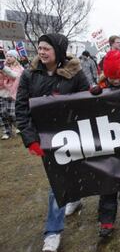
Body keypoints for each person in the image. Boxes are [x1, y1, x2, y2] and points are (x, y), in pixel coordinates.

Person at [15, 33, 90, 252]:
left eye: (46, 48)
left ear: (58, 50)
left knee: (74, 172)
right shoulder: (30, 75)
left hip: (72, 135)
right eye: (39, 48)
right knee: (57, 182)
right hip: (47, 140)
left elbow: (87, 101)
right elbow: (22, 108)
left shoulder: (75, 73)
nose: (41, 51)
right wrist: (30, 139)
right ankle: (53, 232)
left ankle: (74, 199)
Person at [90, 50, 120, 238]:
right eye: (112, 77)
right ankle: (107, 222)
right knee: (107, 184)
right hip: (107, 143)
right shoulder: (100, 87)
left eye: (119, 77)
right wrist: (90, 95)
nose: (116, 81)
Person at [0, 49, 24, 140]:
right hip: (2, 92)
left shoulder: (19, 68)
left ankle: (20, 127)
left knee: (12, 114)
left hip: (12, 93)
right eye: (7, 56)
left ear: (15, 58)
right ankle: (7, 132)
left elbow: (14, 76)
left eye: (11, 56)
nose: (8, 58)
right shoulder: (3, 65)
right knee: (2, 114)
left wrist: (3, 68)